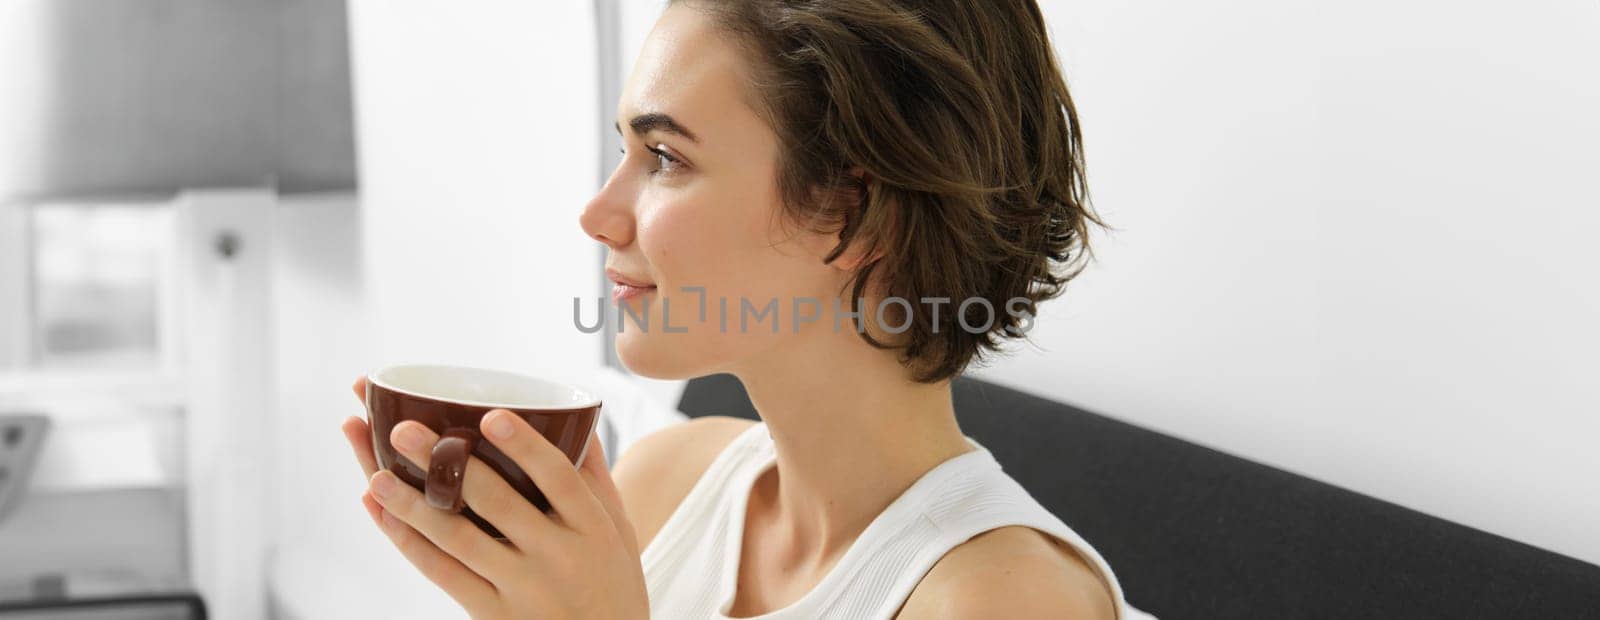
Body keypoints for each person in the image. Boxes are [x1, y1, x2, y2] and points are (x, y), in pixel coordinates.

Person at [341, 1, 1156, 617]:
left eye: (664, 156)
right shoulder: (668, 479)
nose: (597, 212)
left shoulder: (999, 599)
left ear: (855, 212)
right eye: (624, 150)